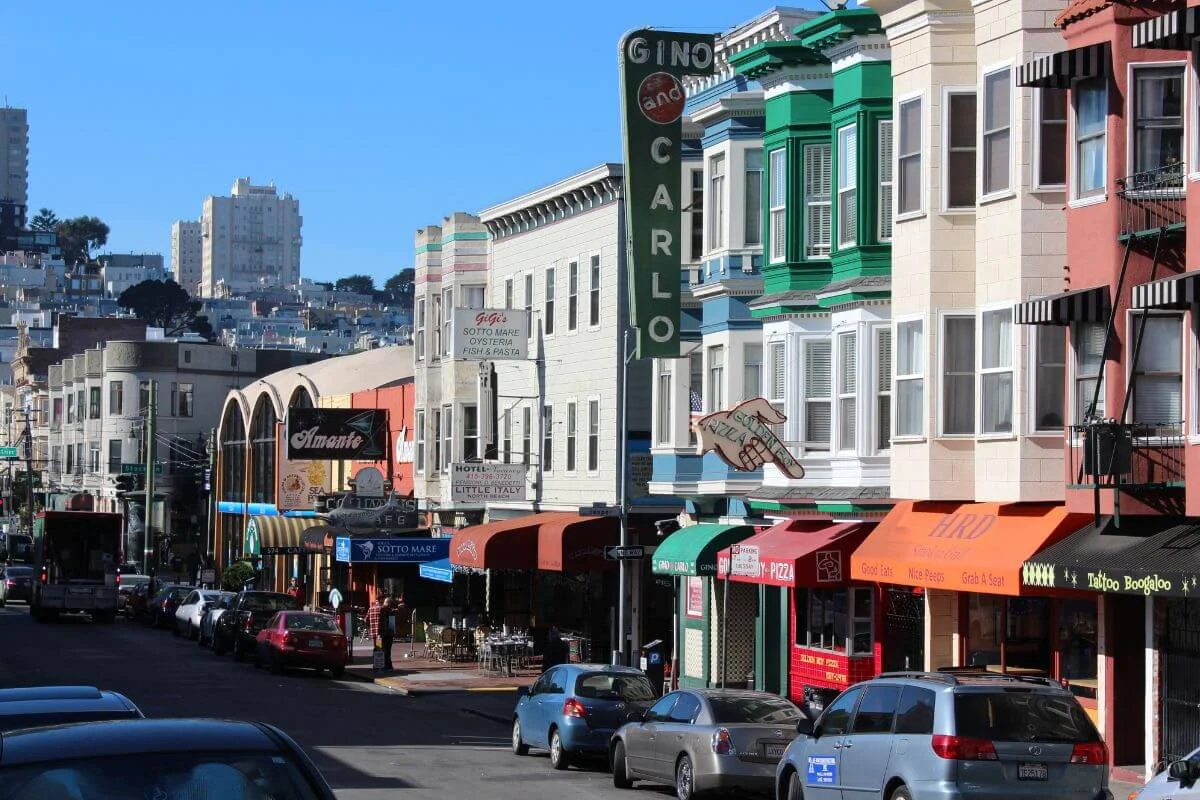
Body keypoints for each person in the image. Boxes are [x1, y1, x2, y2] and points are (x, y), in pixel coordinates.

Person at [366, 594, 384, 672]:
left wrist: (371, 625)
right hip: (379, 633)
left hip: (373, 633)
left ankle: (374, 665)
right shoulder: (382, 608)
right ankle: (378, 667)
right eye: (382, 600)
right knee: (379, 649)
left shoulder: (370, 608)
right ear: (380, 600)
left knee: (375, 648)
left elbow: (366, 620)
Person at [380, 596, 396, 670]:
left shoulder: (374, 609)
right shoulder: (390, 611)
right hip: (387, 634)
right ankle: (387, 665)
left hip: (378, 635)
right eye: (390, 604)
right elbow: (392, 624)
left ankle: (379, 666)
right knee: (387, 650)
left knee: (379, 649)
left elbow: (366, 620)